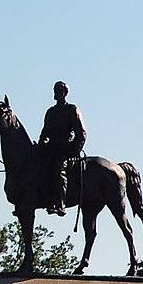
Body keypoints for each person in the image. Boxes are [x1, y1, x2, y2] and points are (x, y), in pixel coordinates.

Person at [37, 80, 87, 216]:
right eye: (55, 90)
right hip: (51, 148)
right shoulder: (51, 112)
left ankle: (60, 203)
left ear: (65, 93)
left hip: (65, 149)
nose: (57, 93)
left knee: (59, 171)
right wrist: (42, 142)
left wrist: (74, 150)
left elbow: (81, 132)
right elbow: (44, 132)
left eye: (59, 91)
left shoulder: (71, 109)